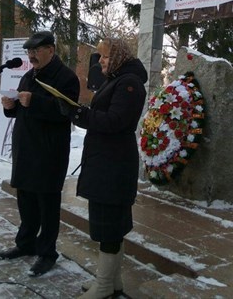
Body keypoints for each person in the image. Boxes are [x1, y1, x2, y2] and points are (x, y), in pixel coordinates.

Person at [58, 38, 147, 298]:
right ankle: (112, 281)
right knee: (110, 224)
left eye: (105, 57)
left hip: (114, 163)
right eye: (100, 57)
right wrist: (79, 111)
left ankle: (105, 285)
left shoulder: (128, 83)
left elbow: (116, 121)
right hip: (106, 160)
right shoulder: (116, 80)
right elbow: (106, 115)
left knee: (110, 225)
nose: (101, 62)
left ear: (118, 57)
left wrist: (78, 114)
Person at [0, 31, 80, 277]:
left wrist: (34, 101)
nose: (31, 56)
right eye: (29, 52)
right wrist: (10, 108)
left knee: (47, 205)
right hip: (26, 149)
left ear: (51, 50)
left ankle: (47, 253)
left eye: (35, 51)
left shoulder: (66, 78)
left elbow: (66, 111)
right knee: (26, 201)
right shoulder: (28, 76)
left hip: (49, 152)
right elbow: (23, 112)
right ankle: (26, 244)